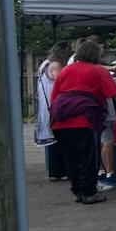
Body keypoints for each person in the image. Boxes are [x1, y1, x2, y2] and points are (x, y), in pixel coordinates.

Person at [50, 39, 116, 204]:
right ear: (96, 55)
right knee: (87, 157)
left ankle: (78, 191)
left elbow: (54, 97)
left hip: (60, 120)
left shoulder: (66, 70)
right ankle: (89, 193)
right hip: (83, 119)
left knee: (71, 159)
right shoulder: (97, 71)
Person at [34, 41, 72, 181]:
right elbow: (61, 80)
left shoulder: (45, 63)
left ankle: (55, 171)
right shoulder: (55, 65)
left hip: (46, 104)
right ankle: (59, 171)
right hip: (54, 104)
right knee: (58, 139)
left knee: (54, 139)